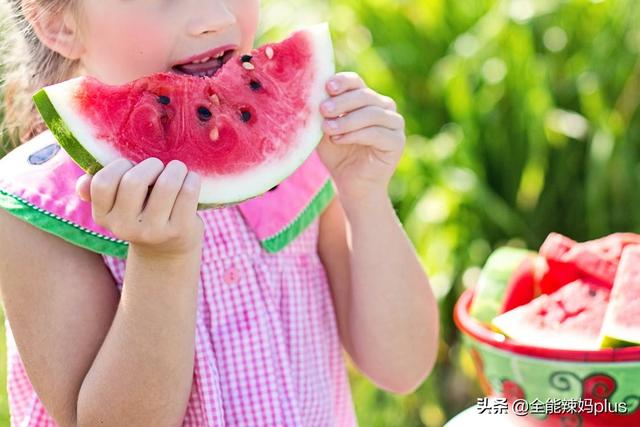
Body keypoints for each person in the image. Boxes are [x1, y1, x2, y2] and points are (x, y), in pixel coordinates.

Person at [0, 0, 439, 425]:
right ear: (59, 24)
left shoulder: (303, 149)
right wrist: (161, 262)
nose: (215, 18)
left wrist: (366, 196)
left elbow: (403, 367)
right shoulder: (39, 209)